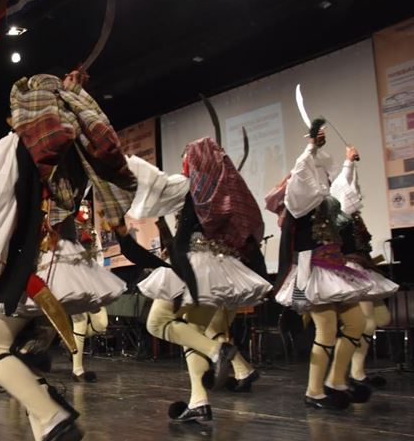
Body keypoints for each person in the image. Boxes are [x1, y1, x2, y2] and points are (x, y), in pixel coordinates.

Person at [0, 70, 135, 441]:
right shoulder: (76, 146)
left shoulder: (15, 146)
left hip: (34, 266)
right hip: (68, 265)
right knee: (28, 362)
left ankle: (55, 419)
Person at [126, 143, 270, 423]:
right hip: (216, 266)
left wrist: (120, 163)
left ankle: (219, 350)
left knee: (157, 323)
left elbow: (154, 183)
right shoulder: (221, 191)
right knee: (193, 332)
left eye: (186, 159)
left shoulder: (189, 186)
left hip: (193, 263)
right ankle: (199, 402)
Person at [274, 120, 373, 409]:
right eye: (315, 169)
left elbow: (343, 191)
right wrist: (310, 148)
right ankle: (314, 391)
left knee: (356, 323)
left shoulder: (326, 199)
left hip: (334, 267)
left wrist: (348, 163)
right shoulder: (298, 201)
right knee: (327, 328)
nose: (321, 174)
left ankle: (336, 380)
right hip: (314, 269)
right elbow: (301, 173)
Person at [329, 151, 398, 388]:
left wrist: (352, 166)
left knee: (382, 318)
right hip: (351, 270)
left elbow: (351, 183)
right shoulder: (341, 213)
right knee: (366, 322)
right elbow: (344, 183)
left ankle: (354, 369)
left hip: (363, 267)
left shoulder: (353, 217)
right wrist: (348, 162)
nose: (355, 193)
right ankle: (355, 373)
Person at [70, 199, 109, 382]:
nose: (85, 210)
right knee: (80, 322)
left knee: (101, 324)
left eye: (87, 207)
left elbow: (99, 255)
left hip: (92, 282)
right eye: (82, 206)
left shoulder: (92, 230)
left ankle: (68, 342)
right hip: (74, 282)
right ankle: (77, 369)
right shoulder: (67, 229)